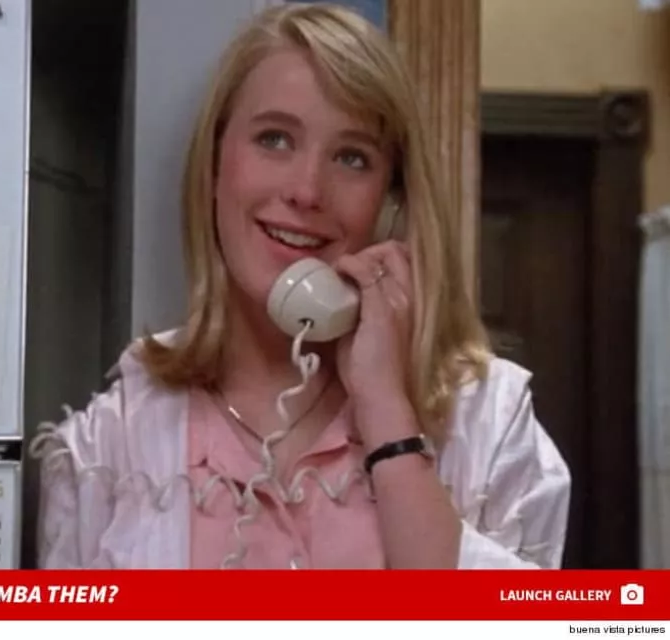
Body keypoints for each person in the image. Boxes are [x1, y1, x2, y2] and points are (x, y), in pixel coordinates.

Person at [30, 2, 571, 570]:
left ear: (392, 204)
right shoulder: (108, 445)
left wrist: (388, 416)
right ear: (214, 167)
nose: (307, 191)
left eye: (352, 157)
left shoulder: (489, 423)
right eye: (275, 140)